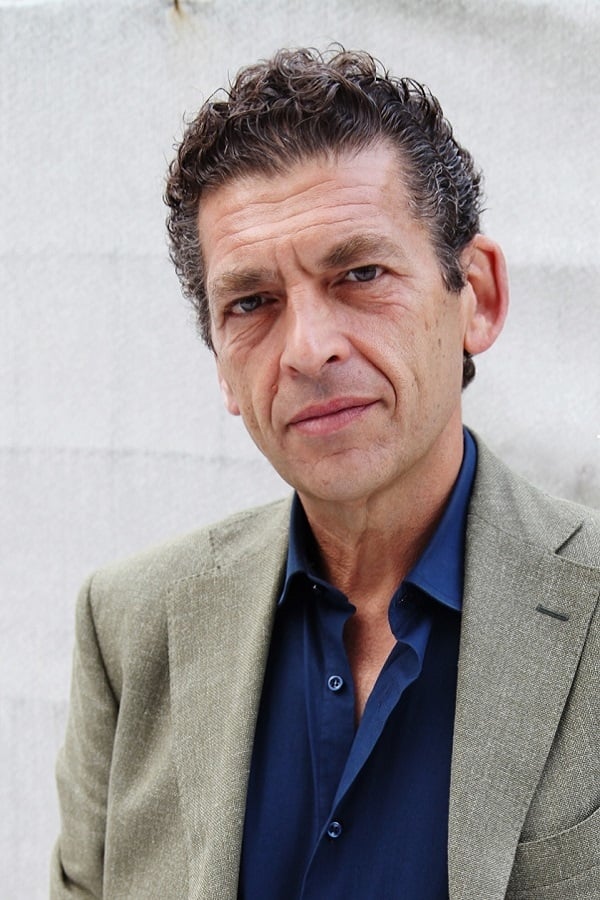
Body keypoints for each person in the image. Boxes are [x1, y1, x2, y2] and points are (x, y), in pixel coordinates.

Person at [51, 48, 600, 900]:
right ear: (222, 365)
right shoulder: (130, 626)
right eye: (252, 302)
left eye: (360, 274)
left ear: (477, 296)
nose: (308, 349)